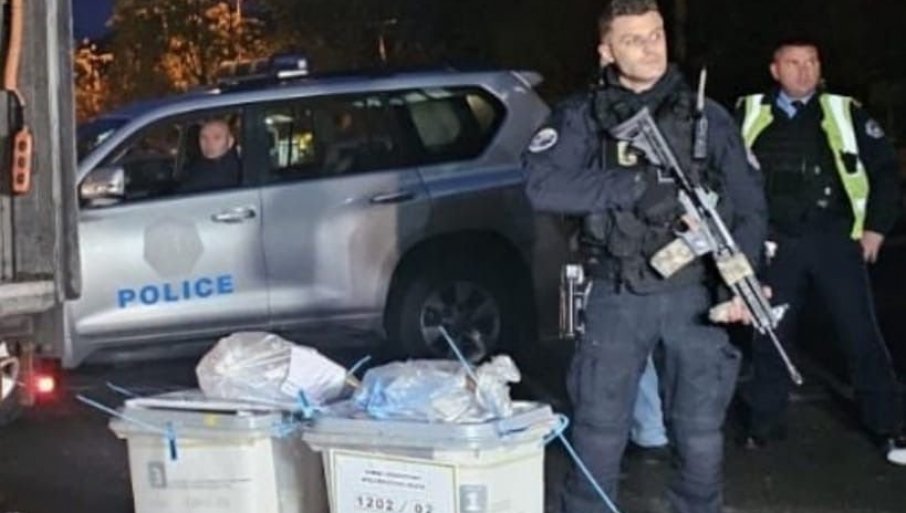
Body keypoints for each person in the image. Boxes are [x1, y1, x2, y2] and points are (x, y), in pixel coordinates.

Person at [523, 1, 767, 511]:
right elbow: (542, 185)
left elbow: (748, 204)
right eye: (633, 40)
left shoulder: (705, 115)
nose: (650, 48)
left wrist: (741, 281)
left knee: (699, 431)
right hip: (616, 291)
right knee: (599, 428)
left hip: (695, 292)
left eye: (656, 35)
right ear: (606, 50)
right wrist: (632, 187)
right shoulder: (583, 115)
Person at [737, 39, 906, 464]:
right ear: (775, 70)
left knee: (860, 333)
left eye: (811, 62)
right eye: (793, 63)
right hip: (775, 242)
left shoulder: (844, 111)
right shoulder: (747, 111)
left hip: (834, 238)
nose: (804, 71)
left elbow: (885, 171)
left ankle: (888, 428)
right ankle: (763, 426)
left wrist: (876, 228)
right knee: (770, 333)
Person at [179, 119, 241, 193]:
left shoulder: (235, 171)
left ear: (230, 142)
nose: (209, 143)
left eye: (217, 137)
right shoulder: (197, 164)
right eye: (204, 137)